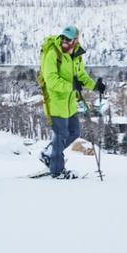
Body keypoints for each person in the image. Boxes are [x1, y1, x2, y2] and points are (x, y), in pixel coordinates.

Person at [37, 26, 107, 178]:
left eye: (68, 39)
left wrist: (95, 86)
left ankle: (50, 153)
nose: (64, 41)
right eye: (63, 38)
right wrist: (70, 86)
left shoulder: (76, 55)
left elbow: (81, 76)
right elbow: (51, 81)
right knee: (61, 134)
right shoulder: (53, 54)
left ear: (75, 40)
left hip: (69, 103)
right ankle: (57, 171)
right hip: (55, 102)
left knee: (75, 132)